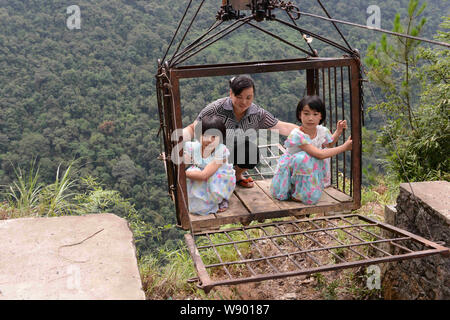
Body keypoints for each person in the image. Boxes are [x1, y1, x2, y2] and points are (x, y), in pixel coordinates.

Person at [183, 75, 299, 188]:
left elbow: (282, 126)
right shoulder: (216, 108)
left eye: (248, 97)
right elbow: (194, 127)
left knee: (251, 152)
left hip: (234, 151)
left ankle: (236, 175)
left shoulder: (257, 113)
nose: (244, 102)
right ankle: (213, 176)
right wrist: (179, 140)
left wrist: (307, 132)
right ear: (231, 94)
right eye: (239, 97)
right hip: (213, 151)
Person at [270, 95, 352, 205]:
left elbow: (329, 143)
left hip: (308, 169)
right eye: (306, 113)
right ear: (300, 115)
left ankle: (307, 190)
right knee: (304, 158)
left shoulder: (322, 130)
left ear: (320, 116)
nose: (310, 118)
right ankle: (296, 193)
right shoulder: (297, 134)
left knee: (309, 159)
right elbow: (319, 154)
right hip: (293, 170)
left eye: (315, 114)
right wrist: (344, 147)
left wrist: (338, 131)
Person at [184, 116, 236, 215]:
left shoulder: (221, 151)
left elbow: (204, 175)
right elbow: (184, 162)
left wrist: (182, 173)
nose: (209, 140)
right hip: (202, 172)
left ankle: (220, 199)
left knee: (208, 180)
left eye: (214, 136)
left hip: (218, 177)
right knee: (193, 175)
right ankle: (198, 197)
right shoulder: (194, 147)